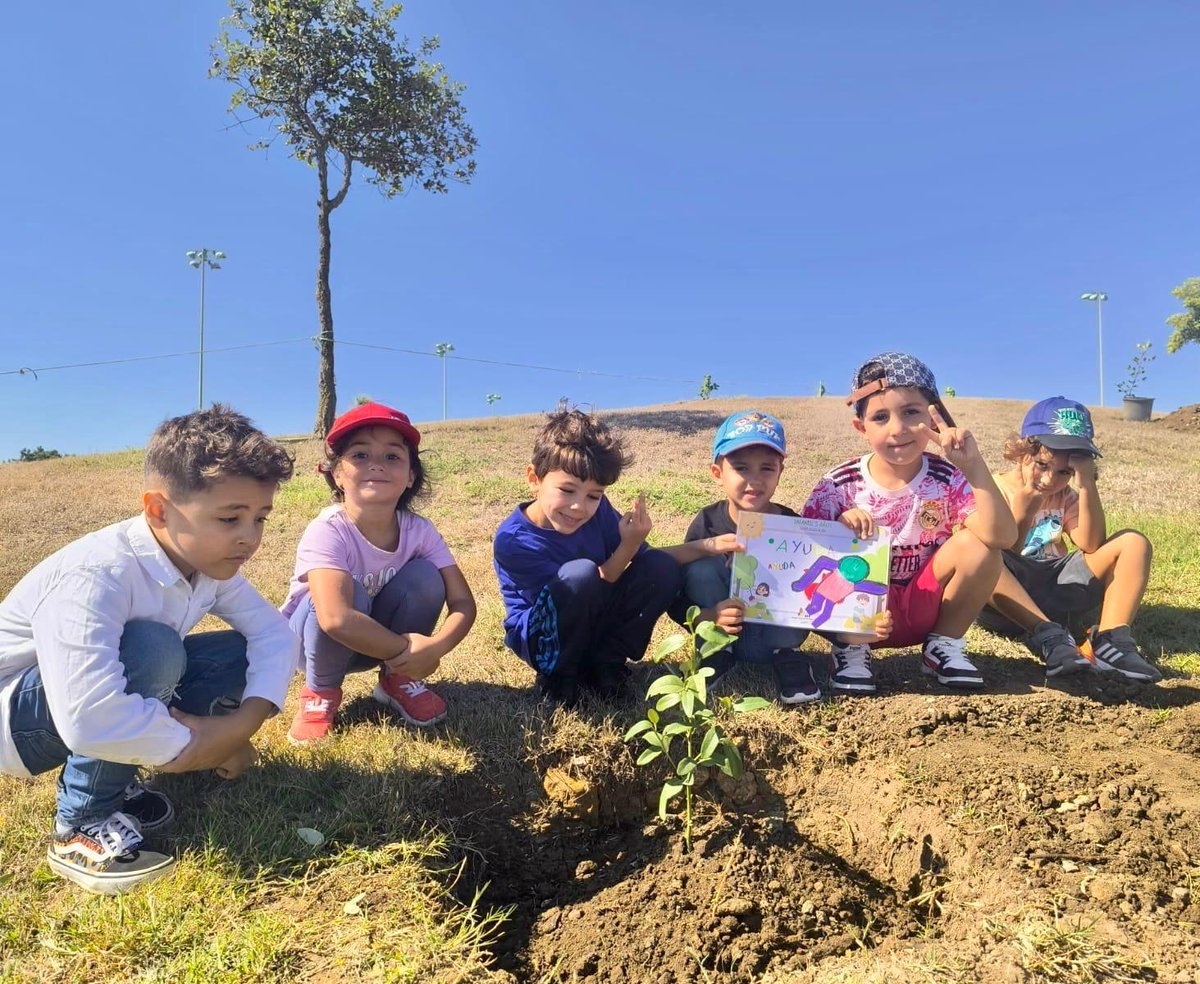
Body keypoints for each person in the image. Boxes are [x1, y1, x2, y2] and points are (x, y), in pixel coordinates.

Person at [0, 405, 299, 894]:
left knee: (239, 652)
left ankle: (118, 776)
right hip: (16, 720)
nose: (250, 537)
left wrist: (238, 727)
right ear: (159, 510)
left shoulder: (206, 563)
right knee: (153, 649)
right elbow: (89, 717)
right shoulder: (98, 573)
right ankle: (80, 826)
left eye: (260, 517)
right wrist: (195, 751)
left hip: (78, 700)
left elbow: (274, 635)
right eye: (230, 517)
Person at [493, 408, 740, 705]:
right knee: (580, 575)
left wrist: (709, 545)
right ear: (534, 478)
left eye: (593, 496)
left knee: (660, 567)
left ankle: (607, 663)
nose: (579, 507)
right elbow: (592, 583)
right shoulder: (514, 540)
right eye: (567, 490)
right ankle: (559, 676)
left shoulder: (597, 514)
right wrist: (628, 546)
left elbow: (646, 562)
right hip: (547, 639)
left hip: (593, 617)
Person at [802, 352, 1016, 692]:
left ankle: (943, 646)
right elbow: (804, 556)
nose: (897, 429)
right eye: (881, 417)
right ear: (861, 427)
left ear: (934, 417)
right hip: (857, 613)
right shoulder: (837, 485)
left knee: (980, 548)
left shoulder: (947, 478)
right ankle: (850, 651)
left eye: (911, 412)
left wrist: (973, 465)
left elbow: (1002, 537)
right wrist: (837, 526)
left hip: (925, 607)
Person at [282, 402, 476, 743]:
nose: (376, 465)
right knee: (348, 594)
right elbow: (335, 620)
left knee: (426, 578)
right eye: (359, 455)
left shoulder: (420, 531)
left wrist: (435, 649)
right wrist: (407, 649)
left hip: (379, 646)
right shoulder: (328, 529)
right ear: (337, 473)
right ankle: (320, 692)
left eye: (392, 457)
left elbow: (463, 602)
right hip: (312, 643)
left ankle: (396, 681)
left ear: (411, 475)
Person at [978, 397, 1159, 682]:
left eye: (1064, 472)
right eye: (1042, 465)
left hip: (1055, 586)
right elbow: (997, 558)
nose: (1050, 480)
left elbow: (1091, 544)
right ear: (1022, 451)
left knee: (1133, 542)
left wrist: (1085, 484)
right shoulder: (993, 488)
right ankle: (1050, 637)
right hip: (1006, 600)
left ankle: (1110, 641)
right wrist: (1023, 515)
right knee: (982, 551)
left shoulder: (1067, 496)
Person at [670, 410, 825, 704]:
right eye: (741, 468)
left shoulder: (793, 524)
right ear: (718, 473)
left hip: (775, 637)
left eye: (766, 468)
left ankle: (789, 658)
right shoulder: (708, 522)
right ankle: (717, 656)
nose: (754, 480)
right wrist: (709, 616)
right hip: (720, 633)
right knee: (701, 566)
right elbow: (676, 587)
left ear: (781, 471)